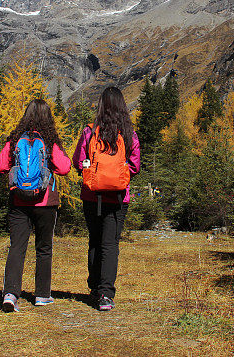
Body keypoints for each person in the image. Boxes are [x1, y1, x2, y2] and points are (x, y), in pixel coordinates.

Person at [0, 99, 71, 312]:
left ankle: (10, 293)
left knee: (17, 247)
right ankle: (42, 295)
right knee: (44, 248)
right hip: (46, 201)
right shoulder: (49, 140)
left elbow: (0, 164)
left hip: (18, 200)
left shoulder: (16, 140)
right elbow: (65, 168)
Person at [72, 87, 140, 311]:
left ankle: (94, 287)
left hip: (92, 195)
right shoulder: (129, 133)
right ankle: (106, 294)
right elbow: (136, 166)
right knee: (110, 244)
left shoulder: (90, 132)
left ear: (101, 105)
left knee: (95, 239)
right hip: (119, 197)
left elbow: (78, 161)